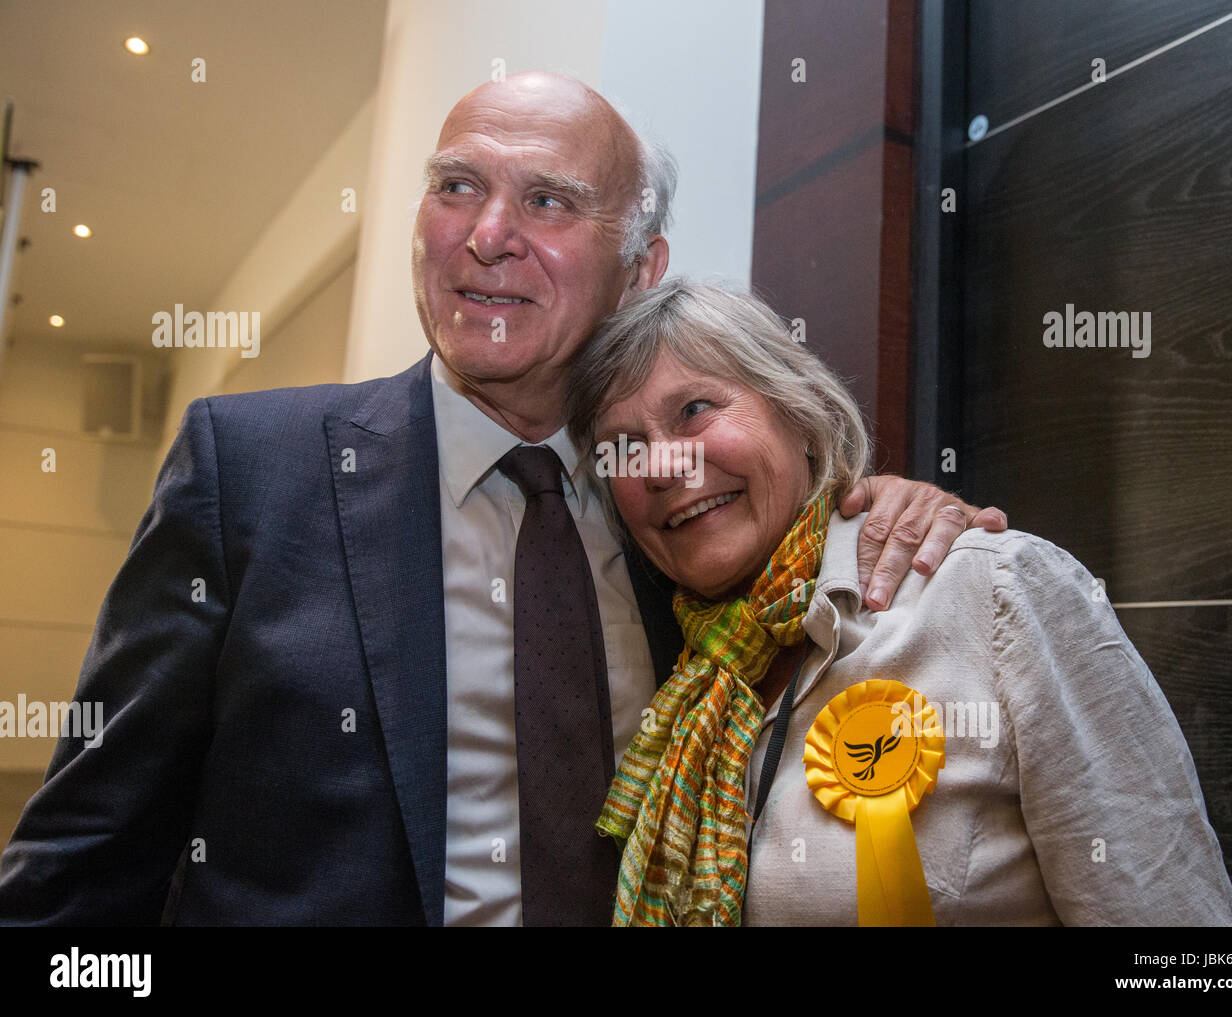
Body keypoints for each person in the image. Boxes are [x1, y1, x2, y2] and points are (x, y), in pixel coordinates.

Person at [0, 73, 1003, 926]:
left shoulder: (685, 517)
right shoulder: (250, 470)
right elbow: (82, 864)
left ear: (641, 268)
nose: (487, 236)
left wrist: (892, 512)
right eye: (457, 187)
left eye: (550, 202)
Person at [567, 279, 1232, 926]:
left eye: (694, 410)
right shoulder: (679, 690)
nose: (661, 467)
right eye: (624, 448)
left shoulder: (994, 594)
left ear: (802, 412)